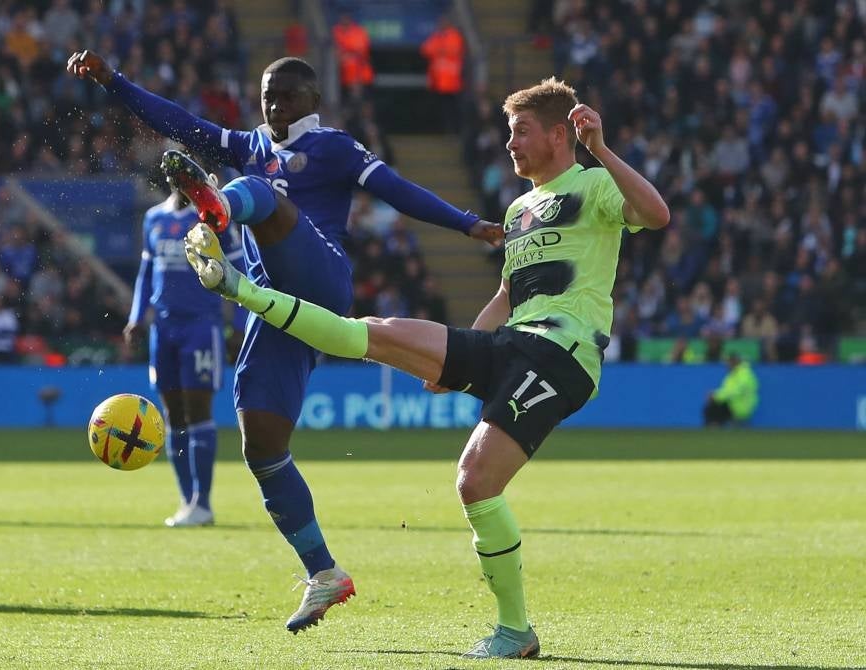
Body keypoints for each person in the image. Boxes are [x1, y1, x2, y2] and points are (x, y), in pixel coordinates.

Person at [179, 77, 669, 658]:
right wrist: (455, 357)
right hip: (512, 344)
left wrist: (603, 151)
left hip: (562, 357)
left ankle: (516, 632)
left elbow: (656, 214)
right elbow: (510, 294)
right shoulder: (518, 210)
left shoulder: (593, 183)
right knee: (376, 333)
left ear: (560, 135)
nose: (509, 144)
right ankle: (238, 288)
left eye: (521, 132)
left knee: (475, 482)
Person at [67, 50, 502, 633]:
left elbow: (398, 190)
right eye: (269, 95)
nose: (276, 106)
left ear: (313, 101)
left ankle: (217, 211)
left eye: (289, 96)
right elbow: (178, 123)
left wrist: (466, 223)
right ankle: (323, 571)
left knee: (259, 192)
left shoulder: (335, 148)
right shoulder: (250, 142)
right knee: (260, 445)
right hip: (274, 308)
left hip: (322, 279)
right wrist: (114, 83)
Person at [125, 185, 245, 527]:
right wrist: (136, 318)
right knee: (172, 414)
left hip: (201, 326)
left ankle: (203, 502)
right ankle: (186, 501)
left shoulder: (212, 219)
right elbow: (146, 274)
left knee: (198, 409)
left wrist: (238, 322)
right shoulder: (154, 218)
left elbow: (238, 266)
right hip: (163, 329)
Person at [420, 15, 466, 132]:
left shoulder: (454, 35)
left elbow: (453, 50)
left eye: (444, 22)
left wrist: (439, 48)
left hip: (452, 83)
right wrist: (440, 48)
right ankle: (441, 130)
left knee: (453, 110)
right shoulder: (437, 36)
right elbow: (425, 49)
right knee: (439, 110)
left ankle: (454, 131)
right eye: (440, 22)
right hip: (438, 82)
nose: (442, 24)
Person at [703, 352, 759, 426]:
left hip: (741, 406)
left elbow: (737, 391)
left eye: (728, 362)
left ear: (734, 362)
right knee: (710, 406)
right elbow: (726, 390)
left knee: (713, 408)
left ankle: (715, 428)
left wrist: (715, 395)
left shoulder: (744, 373)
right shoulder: (732, 374)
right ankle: (715, 428)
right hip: (733, 404)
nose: (727, 365)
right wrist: (715, 395)